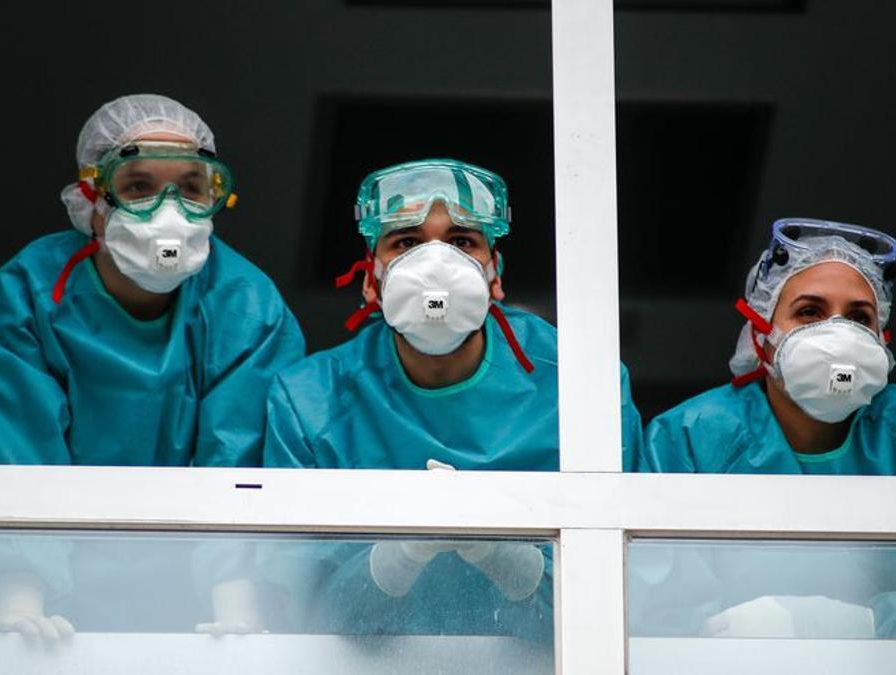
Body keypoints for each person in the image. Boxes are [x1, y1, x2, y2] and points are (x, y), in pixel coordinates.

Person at [0, 93, 306, 640]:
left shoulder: (245, 305)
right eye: (138, 186)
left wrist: (236, 607)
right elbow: (10, 442)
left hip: (192, 602)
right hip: (53, 589)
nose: (168, 211)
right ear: (91, 198)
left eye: (192, 188)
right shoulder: (30, 293)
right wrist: (20, 594)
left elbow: (239, 463)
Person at [260, 158, 644, 640]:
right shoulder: (310, 400)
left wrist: (501, 553)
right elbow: (301, 610)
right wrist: (399, 555)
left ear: (494, 275)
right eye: (406, 243)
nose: (435, 264)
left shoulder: (581, 383)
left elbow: (618, 595)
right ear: (371, 280)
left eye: (462, 242)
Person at [632, 218, 896, 640]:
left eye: (859, 318)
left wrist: (868, 626)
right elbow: (651, 612)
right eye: (810, 312)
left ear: (882, 337)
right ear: (760, 333)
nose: (837, 333)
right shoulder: (692, 438)